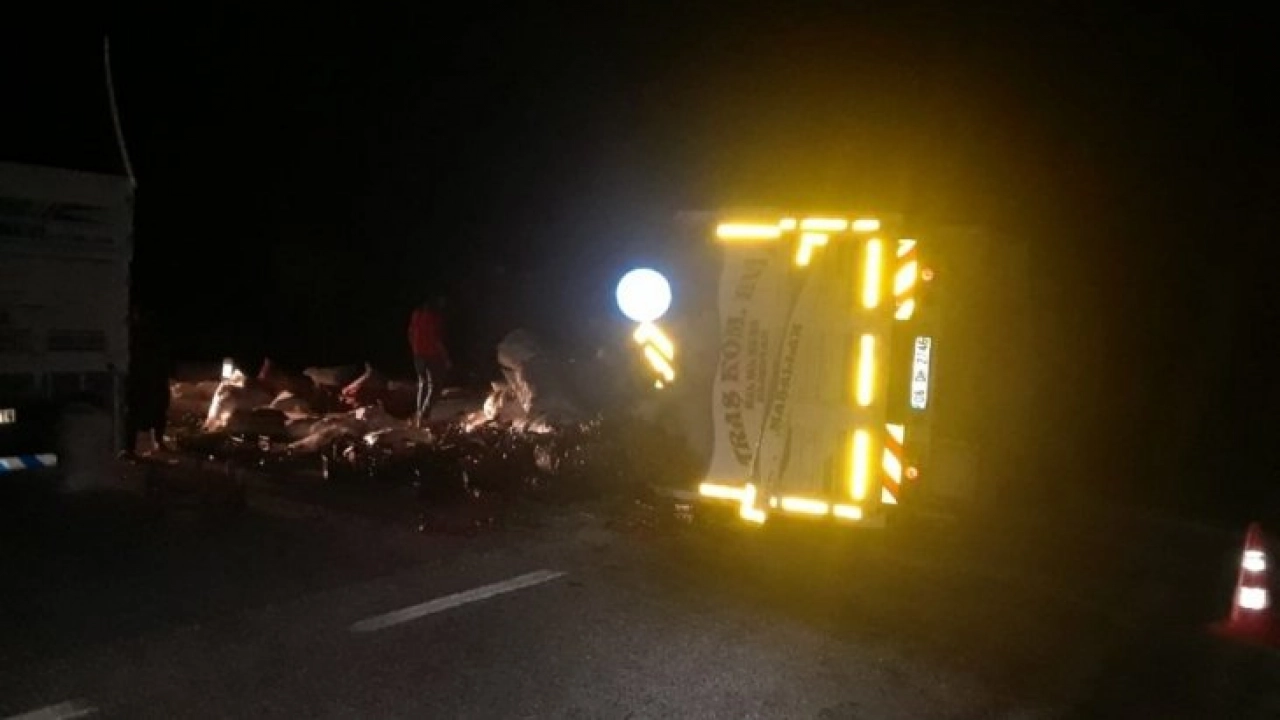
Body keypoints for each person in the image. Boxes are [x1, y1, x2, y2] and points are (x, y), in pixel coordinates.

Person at [121, 306, 171, 457]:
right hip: (142, 378)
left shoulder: (151, 336)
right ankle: (131, 448)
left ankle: (156, 441)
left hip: (151, 377)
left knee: (156, 411)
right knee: (137, 413)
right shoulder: (134, 336)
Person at [407, 297, 451, 427]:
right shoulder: (434, 318)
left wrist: (415, 348)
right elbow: (437, 340)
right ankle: (424, 414)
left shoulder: (416, 314)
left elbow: (410, 333)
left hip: (418, 355)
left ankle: (419, 414)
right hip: (432, 355)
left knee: (423, 384)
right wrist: (446, 358)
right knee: (435, 386)